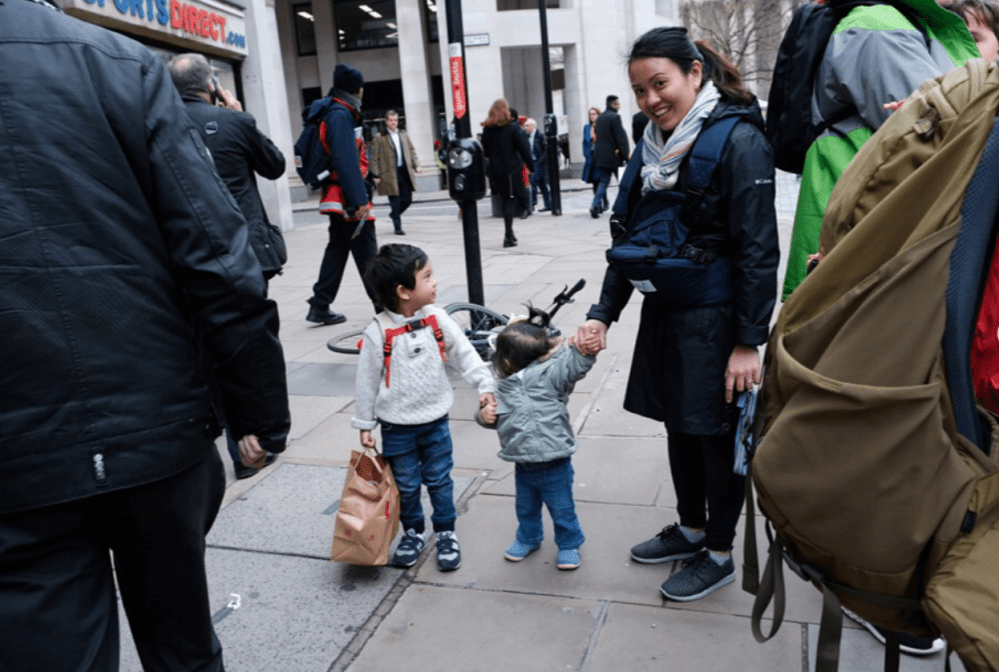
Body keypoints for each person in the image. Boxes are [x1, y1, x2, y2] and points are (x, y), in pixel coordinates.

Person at [0, 2, 291, 671]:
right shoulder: (117, 63)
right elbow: (218, 260)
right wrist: (259, 419)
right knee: (184, 648)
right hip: (154, 426)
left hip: (20, 452)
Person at [574, 28, 779, 602]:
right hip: (666, 311)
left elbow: (759, 249)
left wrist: (747, 342)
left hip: (716, 320)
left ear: (695, 72)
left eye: (659, 84)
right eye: (640, 90)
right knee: (679, 427)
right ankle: (691, 527)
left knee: (716, 435)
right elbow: (633, 238)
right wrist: (602, 313)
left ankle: (718, 552)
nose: (650, 100)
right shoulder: (650, 144)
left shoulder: (740, 141)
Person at [782, 0, 979, 299]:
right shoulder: (879, 26)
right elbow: (945, 135)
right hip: (870, 231)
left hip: (879, 227)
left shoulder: (917, 22)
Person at [168, 52, 286, 480]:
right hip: (243, 252)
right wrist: (240, 114)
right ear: (212, 84)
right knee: (247, 347)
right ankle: (249, 444)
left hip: (187, 256)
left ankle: (216, 433)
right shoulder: (236, 123)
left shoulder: (160, 125)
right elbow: (275, 166)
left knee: (205, 348)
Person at [352, 244, 496, 572]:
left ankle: (446, 532)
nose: (434, 282)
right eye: (427, 276)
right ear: (404, 291)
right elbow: (366, 381)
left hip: (435, 422)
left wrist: (485, 386)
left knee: (440, 480)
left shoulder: (436, 318)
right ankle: (414, 532)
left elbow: (465, 355)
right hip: (396, 427)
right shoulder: (377, 333)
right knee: (405, 483)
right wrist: (364, 423)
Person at [477, 307, 598, 571]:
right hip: (522, 462)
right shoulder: (504, 386)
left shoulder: (550, 375)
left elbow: (573, 366)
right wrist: (485, 415)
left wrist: (586, 351)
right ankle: (528, 537)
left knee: (561, 507)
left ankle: (569, 544)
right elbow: (497, 417)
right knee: (526, 508)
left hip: (554, 460)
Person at [305, 63, 379, 325]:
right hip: (348, 197)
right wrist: (360, 201)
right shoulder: (340, 114)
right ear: (355, 89)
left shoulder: (335, 111)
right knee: (367, 251)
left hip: (338, 193)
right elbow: (345, 159)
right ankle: (385, 309)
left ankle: (320, 303)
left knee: (337, 248)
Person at [481, 98, 534, 248]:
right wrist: (531, 166)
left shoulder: (487, 129)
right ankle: (507, 235)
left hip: (495, 171)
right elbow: (523, 148)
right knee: (509, 201)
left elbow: (485, 151)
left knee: (506, 200)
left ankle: (510, 233)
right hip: (510, 170)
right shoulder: (511, 128)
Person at [369, 109, 421, 236]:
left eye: (395, 120)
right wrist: (376, 175)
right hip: (388, 174)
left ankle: (394, 215)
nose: (393, 122)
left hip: (404, 171)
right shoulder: (380, 137)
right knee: (395, 201)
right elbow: (374, 157)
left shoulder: (403, 134)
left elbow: (412, 151)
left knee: (407, 199)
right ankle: (398, 227)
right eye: (391, 120)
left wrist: (417, 165)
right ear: (386, 121)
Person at [589, 94, 630, 219]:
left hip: (601, 156)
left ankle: (595, 205)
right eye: (617, 104)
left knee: (604, 181)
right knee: (623, 182)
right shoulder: (615, 117)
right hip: (614, 155)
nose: (619, 106)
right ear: (611, 104)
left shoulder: (600, 118)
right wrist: (626, 154)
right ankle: (625, 207)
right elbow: (620, 137)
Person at [525, 118, 552, 213]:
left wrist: (541, 161)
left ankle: (533, 202)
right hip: (532, 162)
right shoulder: (527, 136)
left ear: (533, 126)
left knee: (532, 181)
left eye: (527, 125)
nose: (526, 127)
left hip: (538, 162)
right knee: (542, 185)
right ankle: (548, 205)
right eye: (525, 125)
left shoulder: (540, 135)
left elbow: (546, 150)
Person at [581, 106, 604, 210]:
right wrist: (586, 154)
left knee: (600, 180)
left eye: (594, 114)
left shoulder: (602, 126)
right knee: (595, 181)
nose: (592, 116)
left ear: (598, 115)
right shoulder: (587, 127)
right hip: (591, 157)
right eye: (590, 114)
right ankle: (598, 204)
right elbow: (584, 142)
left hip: (600, 156)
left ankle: (599, 203)